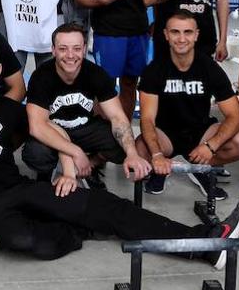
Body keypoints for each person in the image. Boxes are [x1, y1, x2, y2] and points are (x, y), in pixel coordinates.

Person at [0, 38, 239, 268]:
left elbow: (48, 127)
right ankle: (82, 228)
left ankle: (203, 243)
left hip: (19, 189)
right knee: (22, 241)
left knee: (107, 205)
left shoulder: (9, 107)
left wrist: (68, 162)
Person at [136, 10, 239, 200]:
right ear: (166, 34)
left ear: (196, 35)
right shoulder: (154, 70)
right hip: (165, 134)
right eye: (175, 32)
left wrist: (210, 147)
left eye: (187, 32)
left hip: (201, 132)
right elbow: (147, 119)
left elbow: (235, 116)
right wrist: (156, 154)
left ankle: (201, 168)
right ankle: (160, 170)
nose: (181, 38)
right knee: (141, 149)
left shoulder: (209, 68)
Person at [23, 24, 150, 193]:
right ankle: (46, 172)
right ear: (53, 50)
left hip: (84, 128)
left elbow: (118, 118)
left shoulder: (96, 74)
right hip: (52, 130)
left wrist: (132, 153)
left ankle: (90, 166)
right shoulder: (41, 76)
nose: (70, 55)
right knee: (35, 153)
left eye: (76, 48)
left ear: (84, 50)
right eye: (63, 48)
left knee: (123, 145)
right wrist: (75, 152)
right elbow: (37, 126)